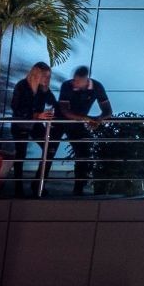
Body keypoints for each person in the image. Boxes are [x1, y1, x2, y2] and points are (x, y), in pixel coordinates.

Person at [55, 65, 113, 195]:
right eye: (74, 79)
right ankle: (38, 185)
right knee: (49, 151)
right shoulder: (67, 85)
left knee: (83, 152)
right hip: (59, 120)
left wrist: (98, 119)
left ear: (86, 80)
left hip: (77, 123)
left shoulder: (96, 87)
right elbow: (65, 111)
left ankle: (78, 188)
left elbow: (108, 110)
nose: (74, 83)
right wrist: (87, 119)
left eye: (78, 81)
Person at [9, 62, 56, 197]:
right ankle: (18, 188)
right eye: (45, 76)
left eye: (49, 77)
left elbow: (53, 103)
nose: (47, 79)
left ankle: (37, 184)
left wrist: (47, 91)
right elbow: (16, 108)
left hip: (35, 125)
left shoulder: (43, 89)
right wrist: (37, 115)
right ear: (36, 75)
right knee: (21, 154)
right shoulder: (22, 86)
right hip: (21, 124)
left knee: (50, 148)